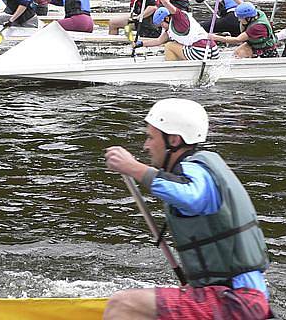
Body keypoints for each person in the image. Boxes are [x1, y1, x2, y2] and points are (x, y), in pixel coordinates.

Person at [103, 99, 271, 320]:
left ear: (174, 140)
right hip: (235, 298)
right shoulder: (199, 167)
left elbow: (192, 196)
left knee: (122, 304)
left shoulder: (197, 171)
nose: (145, 146)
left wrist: (133, 168)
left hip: (237, 301)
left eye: (151, 137)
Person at [134, 0, 218, 61]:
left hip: (202, 51)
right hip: (213, 50)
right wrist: (140, 44)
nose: (162, 27)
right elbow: (158, 41)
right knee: (174, 45)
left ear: (166, 18)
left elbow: (165, 2)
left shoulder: (179, 18)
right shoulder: (170, 28)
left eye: (161, 24)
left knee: (169, 46)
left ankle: (171, 71)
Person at [209, 2, 279, 58]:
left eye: (241, 18)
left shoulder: (257, 27)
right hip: (255, 45)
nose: (239, 20)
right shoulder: (256, 13)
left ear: (248, 18)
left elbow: (237, 40)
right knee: (237, 52)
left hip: (266, 51)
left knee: (240, 53)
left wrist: (215, 37)